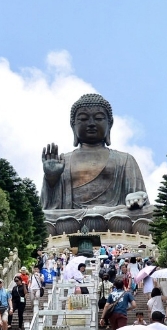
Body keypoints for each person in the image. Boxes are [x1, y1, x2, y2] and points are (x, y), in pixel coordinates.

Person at [40, 95, 150, 232]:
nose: (91, 123)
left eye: (98, 118)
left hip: (115, 214)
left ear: (110, 123)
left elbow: (140, 199)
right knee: (41, 217)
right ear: (72, 124)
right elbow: (48, 208)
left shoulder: (125, 159)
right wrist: (51, 179)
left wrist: (137, 197)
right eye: (83, 119)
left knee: (154, 212)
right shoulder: (63, 161)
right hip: (72, 217)